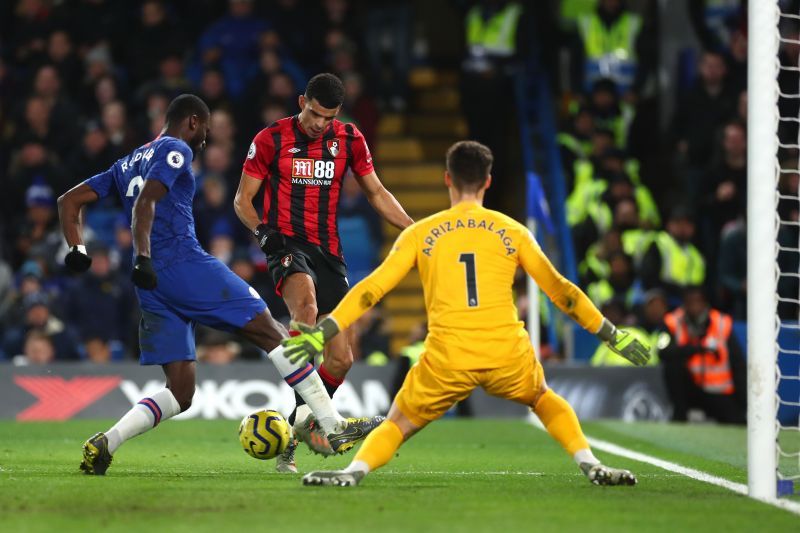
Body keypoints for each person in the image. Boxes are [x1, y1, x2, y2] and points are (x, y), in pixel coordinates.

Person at [282, 141, 651, 487]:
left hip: (448, 356)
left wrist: (325, 330)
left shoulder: (421, 233)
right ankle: (590, 462)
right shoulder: (513, 231)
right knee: (542, 397)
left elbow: (372, 289)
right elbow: (562, 292)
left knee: (398, 422)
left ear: (447, 178)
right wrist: (612, 334)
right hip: (504, 350)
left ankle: (353, 472)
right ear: (487, 181)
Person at [57, 94, 381, 476]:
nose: (205, 140)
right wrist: (144, 255)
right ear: (193, 122)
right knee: (273, 333)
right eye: (205, 131)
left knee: (180, 392)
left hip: (150, 286)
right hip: (183, 265)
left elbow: (69, 201)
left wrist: (77, 248)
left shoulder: (127, 161)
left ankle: (106, 443)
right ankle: (332, 426)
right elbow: (147, 203)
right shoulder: (176, 148)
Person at [235, 73, 413, 472]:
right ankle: (331, 425)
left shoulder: (350, 139)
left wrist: (415, 229)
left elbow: (377, 193)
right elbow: (242, 200)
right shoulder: (270, 139)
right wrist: (262, 233)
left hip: (330, 254)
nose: (319, 123)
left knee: (341, 359)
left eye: (327, 117)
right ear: (302, 102)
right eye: (314, 114)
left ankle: (293, 435)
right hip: (286, 247)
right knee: (306, 311)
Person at [660, 286, 746, 424]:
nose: (694, 306)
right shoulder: (672, 321)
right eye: (690, 302)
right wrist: (695, 349)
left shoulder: (722, 323)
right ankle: (679, 416)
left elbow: (738, 364)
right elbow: (663, 351)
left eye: (698, 301)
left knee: (737, 421)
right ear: (684, 304)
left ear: (705, 303)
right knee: (672, 367)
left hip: (718, 391)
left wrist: (744, 402)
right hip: (690, 388)